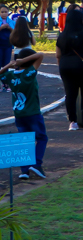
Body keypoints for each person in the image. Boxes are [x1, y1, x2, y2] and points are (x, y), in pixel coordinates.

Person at [0, 37, 47, 180]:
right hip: (32, 112)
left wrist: (9, 64)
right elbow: (40, 56)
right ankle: (36, 164)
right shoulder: (29, 74)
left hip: (19, 114)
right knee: (41, 137)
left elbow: (1, 72)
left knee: (23, 139)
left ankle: (24, 171)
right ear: (30, 62)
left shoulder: (10, 75)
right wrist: (22, 61)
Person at [0, 5, 12, 91]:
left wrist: (9, 28)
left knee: (6, 65)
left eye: (6, 12)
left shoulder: (11, 22)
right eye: (2, 12)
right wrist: (1, 28)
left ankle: (6, 84)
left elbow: (16, 32)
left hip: (8, 45)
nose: (4, 14)